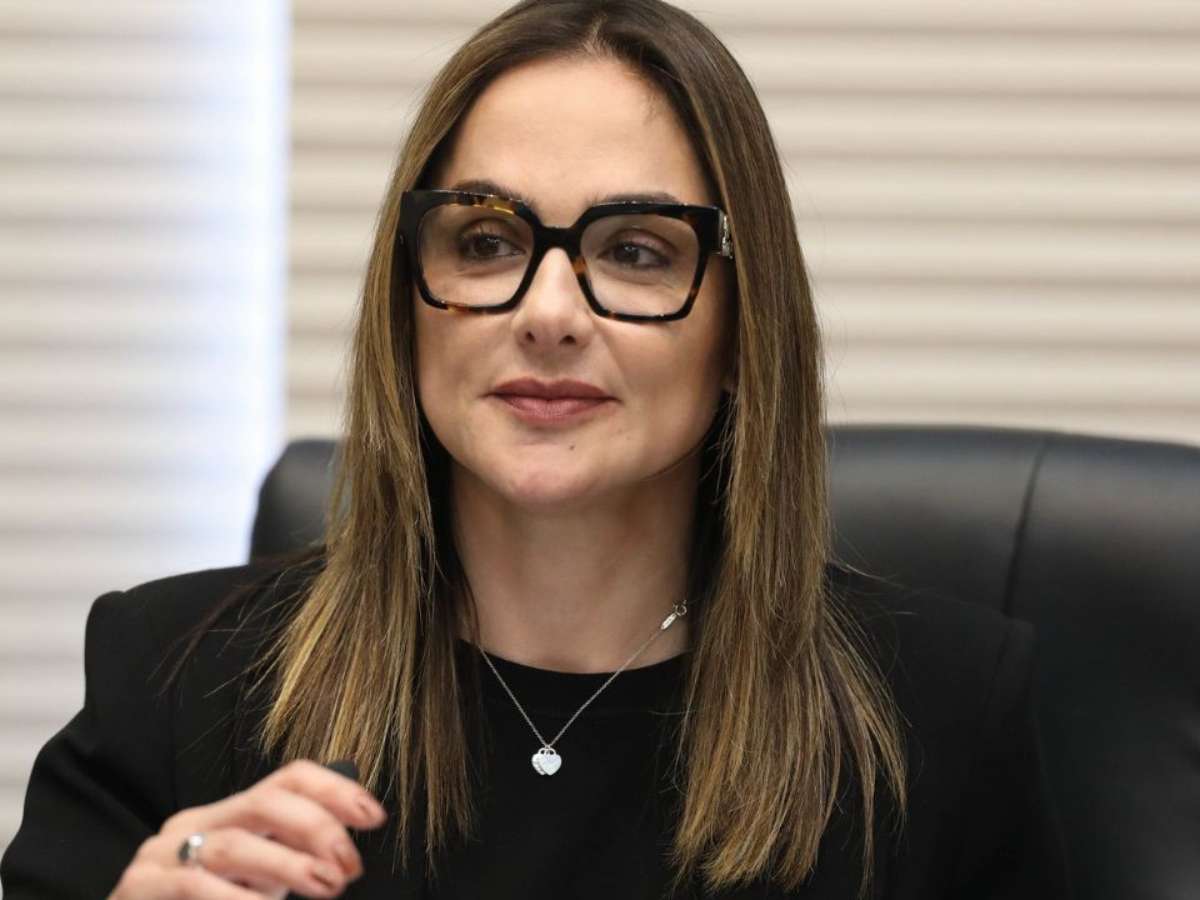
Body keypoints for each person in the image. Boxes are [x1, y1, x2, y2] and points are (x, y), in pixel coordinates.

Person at [1, 0, 1070, 897]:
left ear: (745, 333)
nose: (549, 313)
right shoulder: (173, 682)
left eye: (636, 250)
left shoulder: (941, 720)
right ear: (408, 307)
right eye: (486, 241)